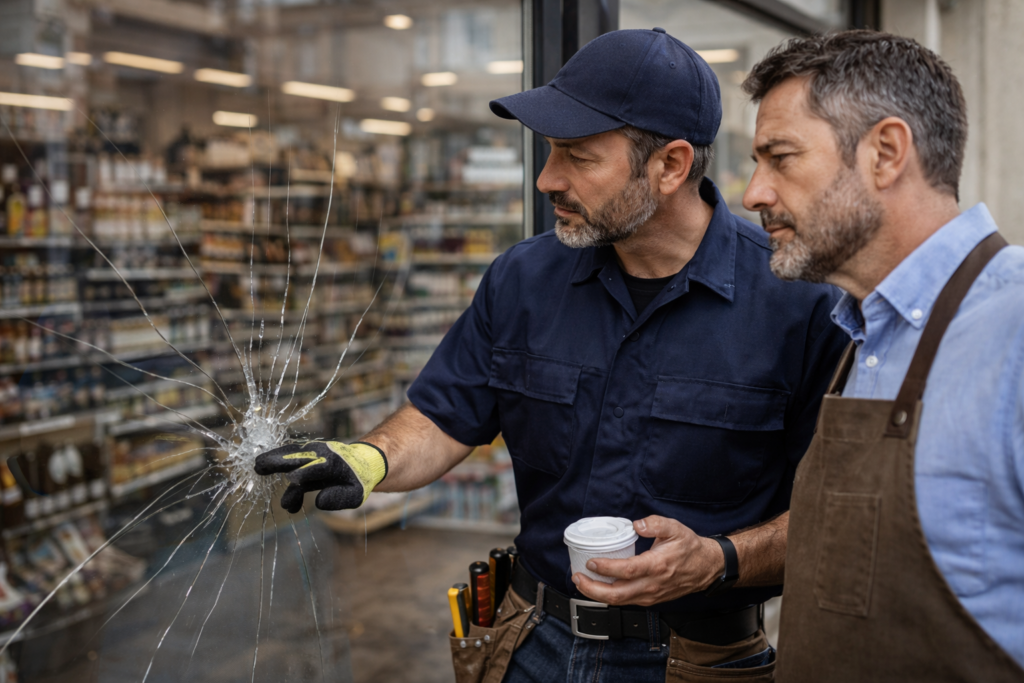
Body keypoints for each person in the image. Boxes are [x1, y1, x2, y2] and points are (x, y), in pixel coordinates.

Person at [254, 28, 846, 682]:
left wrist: (718, 557)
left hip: (698, 659)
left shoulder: (802, 303)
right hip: (527, 642)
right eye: (548, 151)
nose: (546, 179)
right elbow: (446, 416)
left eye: (578, 156)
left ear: (672, 165)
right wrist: (370, 456)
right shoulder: (525, 279)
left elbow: (833, 518)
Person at [741, 30, 1024, 682]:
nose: (754, 192)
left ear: (887, 152)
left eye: (780, 157)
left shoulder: (1011, 334)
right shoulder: (864, 332)